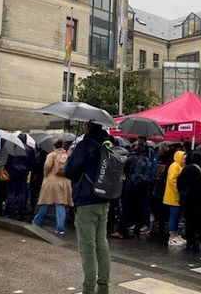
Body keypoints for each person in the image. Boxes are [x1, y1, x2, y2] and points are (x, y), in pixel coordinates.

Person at [64, 122, 111, 294]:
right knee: (102, 244)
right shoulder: (108, 145)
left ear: (88, 127)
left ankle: (89, 289)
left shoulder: (85, 145)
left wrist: (70, 156)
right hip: (104, 199)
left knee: (87, 246)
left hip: (86, 200)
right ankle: (104, 288)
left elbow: (70, 171)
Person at [33, 139, 73, 234]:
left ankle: (36, 222)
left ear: (54, 146)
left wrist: (45, 174)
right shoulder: (66, 155)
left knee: (45, 202)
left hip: (51, 182)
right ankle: (60, 228)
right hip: (64, 182)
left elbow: (47, 167)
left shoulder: (51, 155)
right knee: (60, 204)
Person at [177, 149, 201, 252]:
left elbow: (179, 183)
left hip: (188, 200)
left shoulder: (186, 169)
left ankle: (191, 243)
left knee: (190, 221)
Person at [5, 134, 36, 220]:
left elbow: (8, 161)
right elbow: (32, 163)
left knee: (11, 191)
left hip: (13, 172)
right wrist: (27, 170)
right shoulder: (30, 150)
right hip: (24, 173)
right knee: (22, 191)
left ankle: (9, 210)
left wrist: (9, 170)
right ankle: (20, 210)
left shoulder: (13, 149)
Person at [163, 150, 186, 246]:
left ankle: (175, 234)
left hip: (175, 196)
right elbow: (173, 180)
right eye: (183, 158)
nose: (185, 160)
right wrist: (179, 190)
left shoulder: (179, 166)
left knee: (176, 216)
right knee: (174, 216)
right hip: (173, 196)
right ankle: (172, 235)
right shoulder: (175, 166)